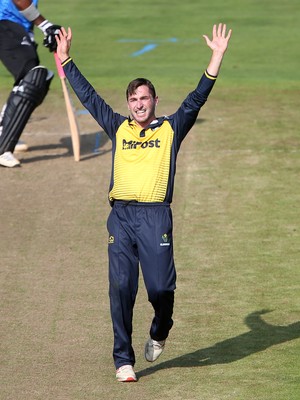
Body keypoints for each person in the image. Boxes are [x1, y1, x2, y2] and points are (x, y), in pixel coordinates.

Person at [56, 23, 232, 382]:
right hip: (120, 217)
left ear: (155, 101)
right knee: (121, 286)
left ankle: (160, 329)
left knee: (161, 288)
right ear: (129, 104)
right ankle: (123, 359)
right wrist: (65, 59)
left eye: (144, 98)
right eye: (133, 99)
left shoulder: (171, 128)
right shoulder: (118, 127)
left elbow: (196, 98)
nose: (139, 104)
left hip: (155, 217)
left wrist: (215, 57)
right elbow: (89, 98)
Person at [0, 0, 61, 167]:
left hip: (17, 26)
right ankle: (2, 147)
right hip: (5, 22)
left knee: (38, 79)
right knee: (33, 79)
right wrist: (46, 25)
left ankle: (3, 132)